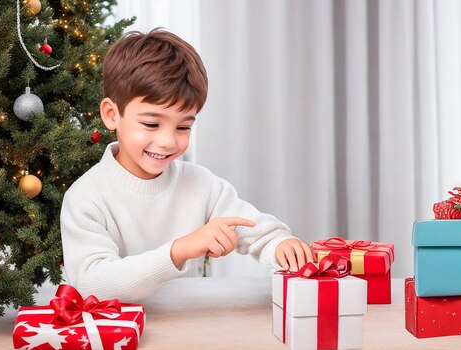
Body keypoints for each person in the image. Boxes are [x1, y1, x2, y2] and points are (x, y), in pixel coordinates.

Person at [60, 28, 313, 302]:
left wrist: (279, 244)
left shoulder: (200, 184)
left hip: (189, 326)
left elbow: (253, 228)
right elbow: (91, 285)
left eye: (183, 126)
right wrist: (177, 251)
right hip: (117, 337)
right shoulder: (86, 197)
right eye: (151, 124)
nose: (168, 141)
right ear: (112, 114)